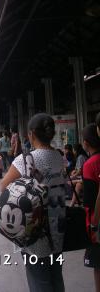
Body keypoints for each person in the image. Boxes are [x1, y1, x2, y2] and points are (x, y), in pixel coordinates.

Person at [0, 113, 66, 292]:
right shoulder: (60, 157)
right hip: (58, 224)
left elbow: (4, 187)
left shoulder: (25, 160)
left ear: (31, 135)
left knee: (39, 280)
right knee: (56, 276)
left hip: (35, 227)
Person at [81, 124, 100, 292]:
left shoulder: (90, 164)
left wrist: (91, 224)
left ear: (86, 143)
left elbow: (89, 200)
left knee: (98, 265)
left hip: (97, 221)